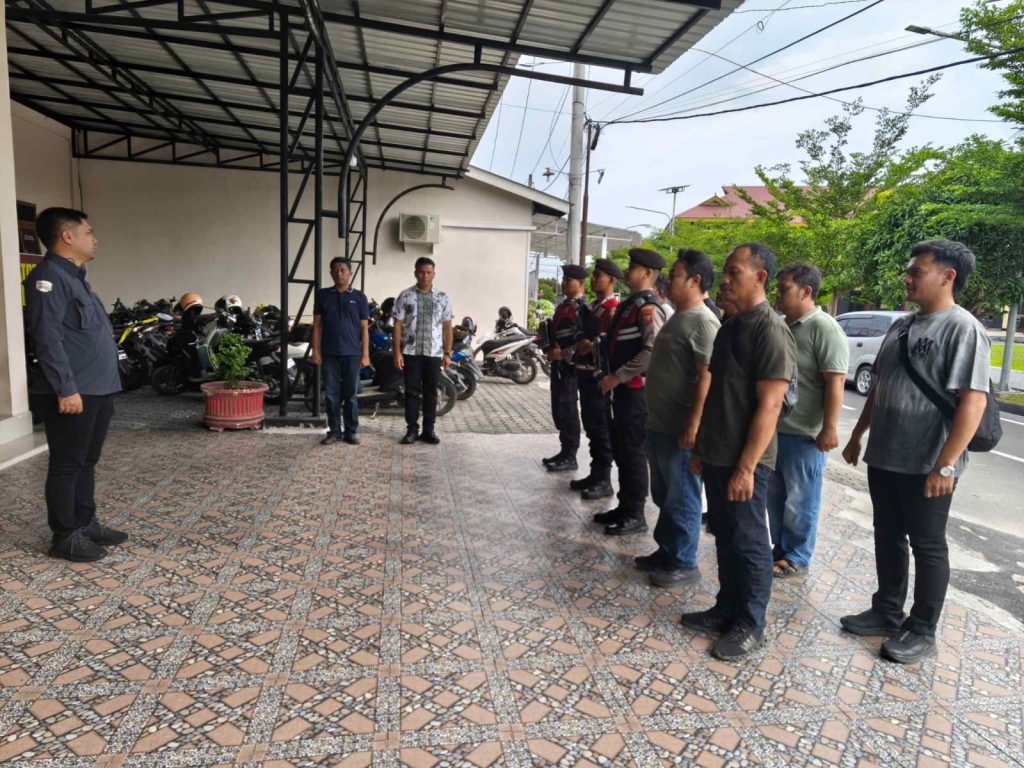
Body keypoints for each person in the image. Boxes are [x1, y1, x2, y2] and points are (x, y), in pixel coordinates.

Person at [841, 240, 990, 664]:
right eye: (909, 271)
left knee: (927, 544)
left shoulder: (962, 328)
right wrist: (857, 434)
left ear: (948, 276)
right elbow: (882, 384)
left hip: (929, 462)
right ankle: (887, 610)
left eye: (916, 272)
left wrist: (946, 465)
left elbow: (973, 402)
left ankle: (923, 629)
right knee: (887, 533)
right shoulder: (902, 326)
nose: (907, 278)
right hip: (886, 453)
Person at [683, 243, 797, 660]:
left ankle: (751, 622)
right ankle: (727, 607)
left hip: (747, 460)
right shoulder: (730, 325)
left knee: (749, 541)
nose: (726, 280)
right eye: (726, 272)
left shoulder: (770, 330)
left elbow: (771, 406)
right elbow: (718, 393)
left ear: (760, 277)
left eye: (734, 272)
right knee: (726, 535)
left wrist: (746, 467)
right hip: (718, 452)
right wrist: (702, 447)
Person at [23, 208, 126, 563]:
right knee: (67, 464)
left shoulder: (76, 278)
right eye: (88, 232)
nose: (94, 238)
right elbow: (48, 339)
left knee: (87, 461)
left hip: (97, 387)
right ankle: (65, 535)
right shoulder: (48, 278)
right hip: (74, 391)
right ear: (68, 236)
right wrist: (66, 389)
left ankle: (85, 522)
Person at [638, 249, 721, 587]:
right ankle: (667, 550)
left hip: (680, 428)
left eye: (674, 275)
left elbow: (707, 377)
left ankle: (684, 561)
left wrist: (694, 423)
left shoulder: (703, 322)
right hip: (659, 424)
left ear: (694, 280)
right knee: (664, 493)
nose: (667, 280)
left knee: (683, 495)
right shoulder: (678, 316)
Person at [768, 263, 849, 578]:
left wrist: (829, 428)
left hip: (805, 435)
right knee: (776, 497)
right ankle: (780, 548)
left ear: (806, 291)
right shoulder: (781, 325)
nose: (778, 294)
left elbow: (835, 382)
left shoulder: (823, 328)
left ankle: (797, 556)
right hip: (776, 430)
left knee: (800, 500)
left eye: (784, 289)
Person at [593, 248, 666, 536]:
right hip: (622, 392)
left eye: (633, 267)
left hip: (636, 393)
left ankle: (636, 513)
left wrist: (617, 376)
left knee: (633, 453)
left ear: (647, 273)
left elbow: (651, 351)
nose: (627, 271)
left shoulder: (648, 308)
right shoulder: (630, 305)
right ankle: (624, 506)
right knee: (622, 449)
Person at [570, 258, 620, 499]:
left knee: (600, 428)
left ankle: (604, 479)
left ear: (611, 280)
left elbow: (610, 341)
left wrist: (592, 346)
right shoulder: (596, 306)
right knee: (591, 425)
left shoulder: (612, 307)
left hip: (597, 376)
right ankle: (595, 472)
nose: (593, 279)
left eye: (598, 276)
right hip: (585, 372)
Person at [393, 257, 454, 445]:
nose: (425, 276)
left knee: (431, 393)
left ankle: (429, 430)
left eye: (428, 272)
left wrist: (447, 353)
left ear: (434, 274)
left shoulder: (443, 297)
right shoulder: (405, 296)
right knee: (411, 392)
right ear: (415, 273)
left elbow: (447, 327)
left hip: (434, 354)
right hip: (411, 353)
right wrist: (397, 352)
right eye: (421, 272)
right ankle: (412, 430)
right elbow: (398, 325)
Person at [311, 258, 370, 445]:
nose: (339, 273)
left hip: (352, 353)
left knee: (351, 395)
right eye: (335, 270)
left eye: (343, 270)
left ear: (350, 273)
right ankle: (334, 431)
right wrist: (315, 351)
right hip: (329, 353)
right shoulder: (322, 295)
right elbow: (317, 326)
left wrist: (365, 354)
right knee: (331, 395)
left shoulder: (359, 297)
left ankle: (351, 432)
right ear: (331, 273)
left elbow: (364, 328)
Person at [541, 265, 588, 473]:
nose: (564, 283)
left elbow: (585, 340)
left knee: (568, 408)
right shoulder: (563, 307)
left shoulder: (582, 309)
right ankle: (564, 450)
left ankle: (571, 455)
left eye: (569, 280)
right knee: (559, 407)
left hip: (571, 367)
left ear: (581, 284)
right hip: (559, 366)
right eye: (564, 279)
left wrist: (564, 354)